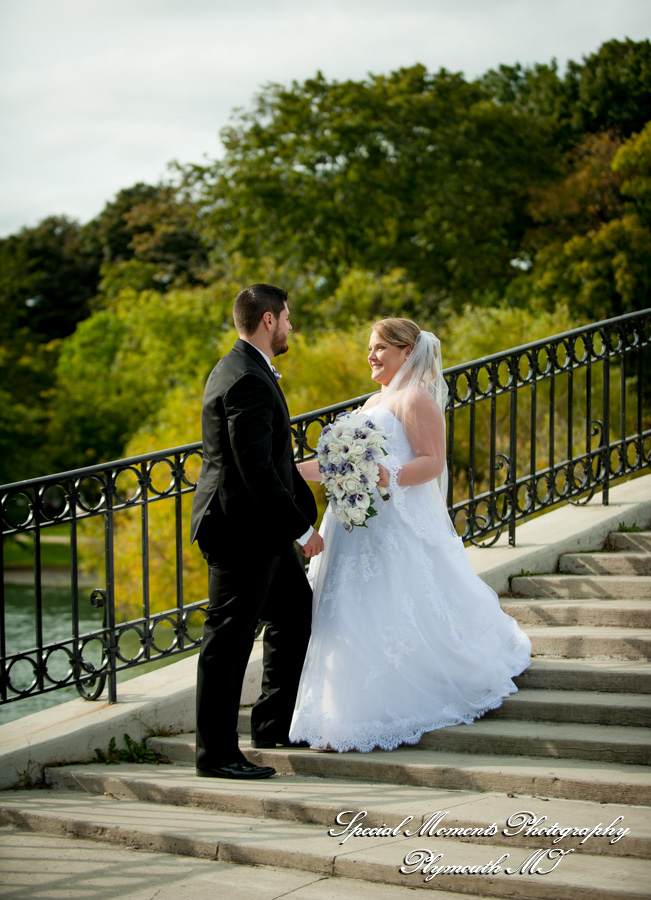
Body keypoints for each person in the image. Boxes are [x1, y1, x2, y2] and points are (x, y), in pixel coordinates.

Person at [289, 317, 531, 753]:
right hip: (353, 526)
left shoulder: (416, 398)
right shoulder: (371, 402)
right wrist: (290, 471)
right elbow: (339, 463)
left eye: (381, 347)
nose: (372, 355)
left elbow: (433, 462)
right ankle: (337, 713)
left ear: (406, 351)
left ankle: (373, 711)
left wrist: (385, 474)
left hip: (390, 524)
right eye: (370, 348)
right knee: (345, 613)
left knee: (382, 607)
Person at [190, 283, 324, 779]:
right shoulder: (245, 377)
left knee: (293, 613)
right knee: (227, 640)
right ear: (268, 321)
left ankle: (272, 724)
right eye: (287, 317)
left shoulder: (243, 367)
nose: (290, 326)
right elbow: (253, 468)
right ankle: (217, 755)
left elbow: (269, 457)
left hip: (257, 527)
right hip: (240, 530)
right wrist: (301, 527)